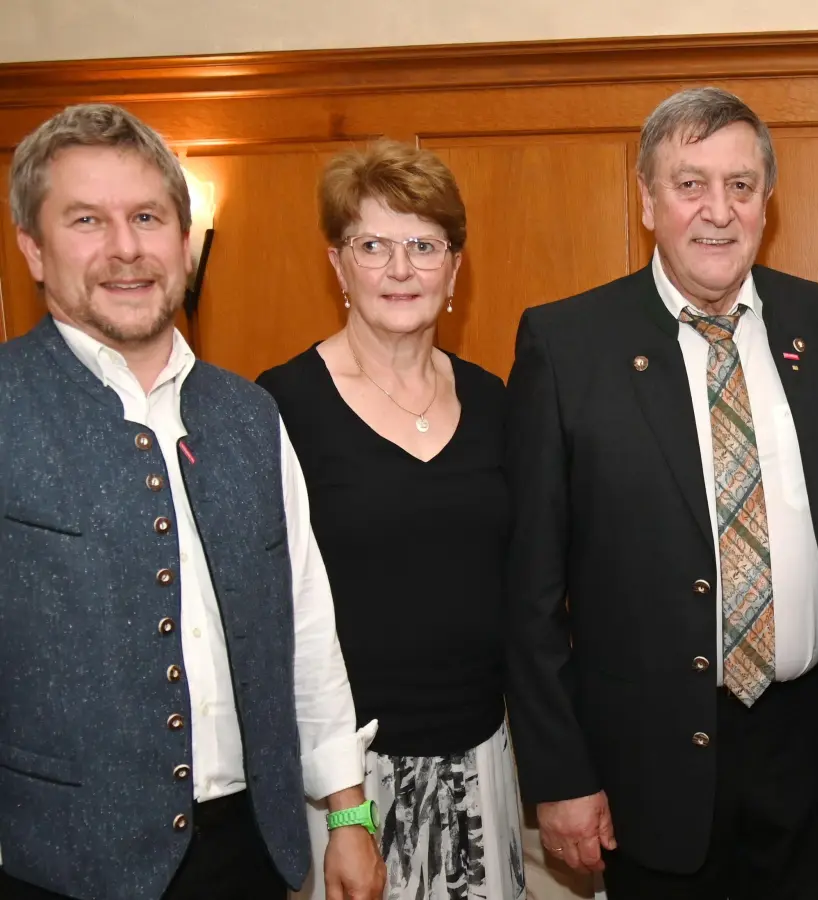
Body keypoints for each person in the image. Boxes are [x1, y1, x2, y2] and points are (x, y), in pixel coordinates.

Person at [503, 85, 818, 900]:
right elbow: (530, 591)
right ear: (648, 200)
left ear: (766, 201)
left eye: (741, 185)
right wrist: (561, 775)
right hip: (646, 760)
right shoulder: (567, 345)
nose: (718, 211)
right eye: (691, 185)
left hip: (803, 743)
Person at [0, 104, 383, 900]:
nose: (125, 248)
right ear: (32, 248)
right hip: (57, 865)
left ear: (183, 240)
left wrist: (348, 814)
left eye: (147, 217)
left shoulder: (251, 415)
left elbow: (307, 628)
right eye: (86, 220)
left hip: (248, 854)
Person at [256, 140, 528, 900]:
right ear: (338, 266)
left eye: (424, 246)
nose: (400, 269)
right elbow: (270, 616)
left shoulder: (496, 401)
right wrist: (346, 809)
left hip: (483, 756)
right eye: (372, 246)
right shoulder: (280, 406)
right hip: (344, 785)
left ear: (454, 268)